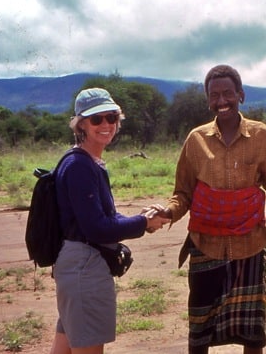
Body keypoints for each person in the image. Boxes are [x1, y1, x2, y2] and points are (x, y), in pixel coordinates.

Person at [150, 65, 266, 354]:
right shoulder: (196, 140)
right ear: (207, 100)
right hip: (206, 246)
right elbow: (183, 193)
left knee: (252, 335)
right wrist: (167, 211)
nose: (221, 100)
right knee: (199, 331)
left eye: (228, 93)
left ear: (241, 94)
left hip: (251, 246)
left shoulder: (263, 136)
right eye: (214, 95)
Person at [50, 88, 170, 354]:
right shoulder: (80, 166)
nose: (106, 125)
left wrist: (142, 220)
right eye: (96, 119)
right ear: (80, 124)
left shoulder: (86, 161)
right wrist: (142, 224)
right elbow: (97, 228)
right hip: (85, 269)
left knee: (65, 346)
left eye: (111, 117)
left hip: (75, 266)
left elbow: (104, 218)